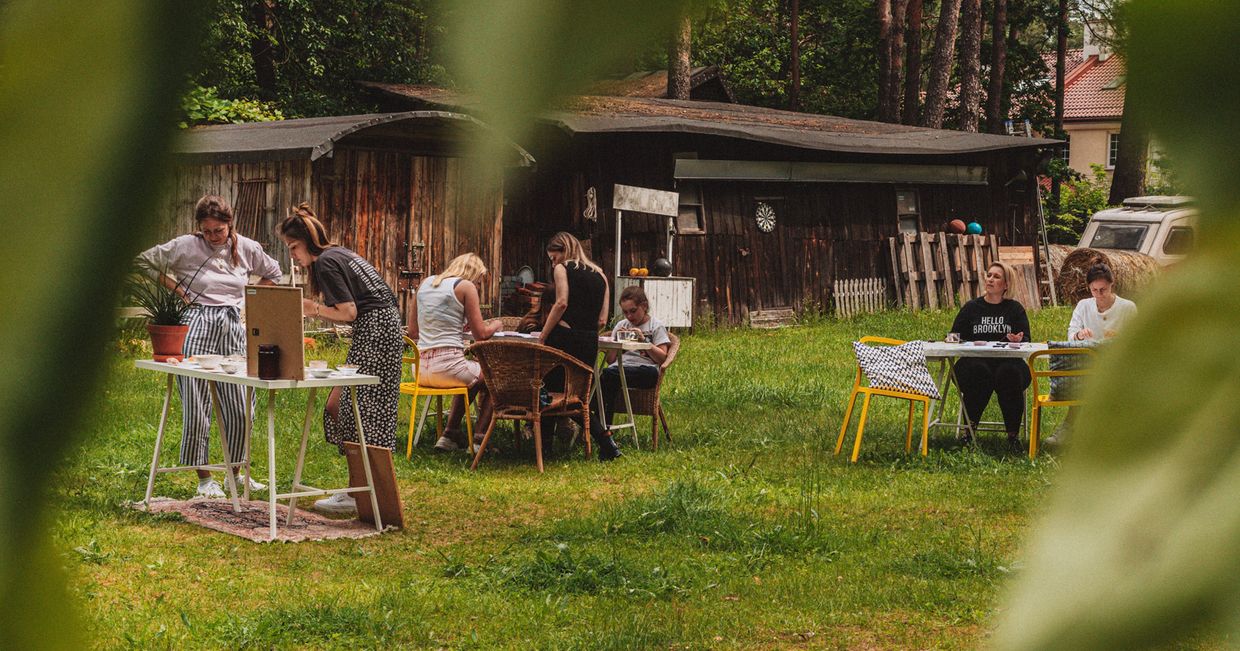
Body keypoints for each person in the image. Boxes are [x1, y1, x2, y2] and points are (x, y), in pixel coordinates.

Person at [137, 195, 283, 499]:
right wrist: (179, 290)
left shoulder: (247, 247)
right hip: (198, 322)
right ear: (199, 228)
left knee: (242, 402)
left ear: (230, 225)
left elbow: (274, 272)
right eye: (207, 231)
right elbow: (144, 261)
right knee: (197, 399)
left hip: (233, 323)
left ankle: (237, 472)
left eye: (219, 230)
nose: (214, 236)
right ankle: (204, 477)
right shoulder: (185, 246)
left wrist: (250, 298)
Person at [278, 203, 403, 514]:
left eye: (293, 247)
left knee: (357, 410)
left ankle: (358, 493)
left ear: (307, 241)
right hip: (382, 328)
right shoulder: (341, 254)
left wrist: (311, 309)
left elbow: (348, 312)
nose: (292, 255)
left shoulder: (325, 263)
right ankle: (358, 489)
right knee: (345, 406)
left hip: (375, 331)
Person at [538, 232, 622, 460]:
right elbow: (603, 320)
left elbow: (562, 301)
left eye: (553, 257)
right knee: (577, 395)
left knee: (548, 391)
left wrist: (544, 334)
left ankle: (544, 449)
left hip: (564, 337)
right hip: (588, 341)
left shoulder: (563, 268)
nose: (553, 263)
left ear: (564, 251)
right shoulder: (601, 275)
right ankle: (607, 444)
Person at [407, 253, 502, 451]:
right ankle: (479, 439)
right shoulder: (465, 287)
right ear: (473, 274)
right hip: (448, 368)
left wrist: (453, 328)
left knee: (473, 376)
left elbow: (413, 331)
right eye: (479, 280)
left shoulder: (425, 283)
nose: (477, 285)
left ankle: (450, 435)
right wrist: (496, 324)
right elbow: (481, 334)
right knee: (496, 377)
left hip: (420, 371)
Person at [1046, 263, 1138, 446]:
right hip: (1088, 366)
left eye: (1103, 289)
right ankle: (1074, 430)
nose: (1098, 294)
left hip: (1119, 366)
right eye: (1094, 290)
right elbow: (1071, 335)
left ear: (1112, 285)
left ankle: (1071, 429)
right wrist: (1080, 335)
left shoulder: (1127, 308)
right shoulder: (1084, 306)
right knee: (1087, 379)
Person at [948, 261, 1032, 452]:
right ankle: (968, 433)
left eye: (996, 277)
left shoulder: (1015, 309)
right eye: (989, 275)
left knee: (1009, 373)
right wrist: (954, 339)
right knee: (979, 372)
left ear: (1006, 285)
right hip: (974, 363)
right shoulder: (971, 308)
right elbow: (954, 336)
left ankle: (1013, 436)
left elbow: (1027, 339)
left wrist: (1018, 339)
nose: (990, 279)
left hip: (1008, 362)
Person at [601, 285, 671, 429]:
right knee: (603, 377)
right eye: (625, 312)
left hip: (645, 372)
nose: (629, 317)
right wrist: (616, 341)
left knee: (607, 376)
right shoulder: (621, 325)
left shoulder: (655, 326)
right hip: (619, 369)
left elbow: (663, 358)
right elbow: (610, 360)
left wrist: (643, 341)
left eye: (633, 311)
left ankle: (601, 428)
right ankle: (602, 427)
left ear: (644, 306)